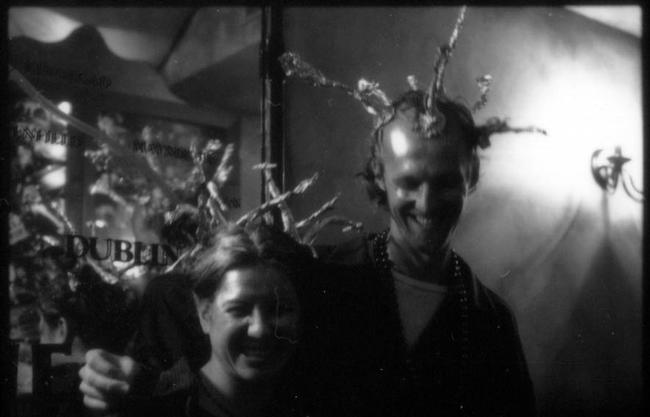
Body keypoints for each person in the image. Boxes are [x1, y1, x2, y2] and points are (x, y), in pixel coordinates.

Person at [81, 224, 318, 417]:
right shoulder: (165, 404)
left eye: (280, 310)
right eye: (239, 309)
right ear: (204, 313)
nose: (260, 329)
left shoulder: (314, 401)